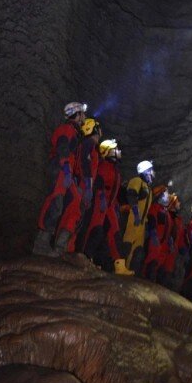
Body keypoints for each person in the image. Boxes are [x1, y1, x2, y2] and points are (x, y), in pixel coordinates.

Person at [33, 101, 87, 256]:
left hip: (66, 170)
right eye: (82, 113)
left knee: (73, 203)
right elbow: (62, 149)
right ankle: (41, 243)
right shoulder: (66, 129)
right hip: (60, 168)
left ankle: (60, 246)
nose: (84, 116)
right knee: (55, 202)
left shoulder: (74, 132)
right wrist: (65, 169)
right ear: (76, 114)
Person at [79, 138, 125, 270]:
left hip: (108, 205)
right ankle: (83, 256)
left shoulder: (114, 169)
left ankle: (118, 264)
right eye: (115, 149)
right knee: (94, 229)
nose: (118, 151)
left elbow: (112, 189)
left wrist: (114, 203)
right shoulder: (104, 166)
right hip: (99, 203)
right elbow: (100, 184)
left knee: (113, 233)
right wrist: (102, 197)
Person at [60, 116, 101, 253]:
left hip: (84, 185)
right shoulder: (88, 144)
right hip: (82, 185)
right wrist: (88, 187)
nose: (100, 132)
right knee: (75, 214)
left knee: (78, 218)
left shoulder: (92, 147)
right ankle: (62, 246)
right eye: (98, 129)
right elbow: (84, 164)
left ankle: (68, 248)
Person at [123, 160, 154, 275]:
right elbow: (131, 195)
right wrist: (136, 214)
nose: (152, 173)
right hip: (133, 218)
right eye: (150, 171)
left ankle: (132, 271)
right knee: (127, 243)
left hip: (141, 223)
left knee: (138, 249)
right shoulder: (137, 181)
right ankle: (120, 267)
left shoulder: (148, 188)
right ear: (145, 171)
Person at [143, 183, 173, 284]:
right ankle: (145, 281)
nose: (167, 197)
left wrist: (169, 239)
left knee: (156, 264)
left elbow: (168, 229)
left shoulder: (167, 213)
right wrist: (153, 233)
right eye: (165, 194)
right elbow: (151, 219)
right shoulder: (155, 207)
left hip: (161, 244)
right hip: (154, 241)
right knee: (151, 262)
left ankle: (151, 282)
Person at [165, 191, 189, 286]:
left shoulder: (179, 221)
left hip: (171, 254)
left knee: (166, 276)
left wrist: (184, 248)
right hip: (161, 251)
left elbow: (180, 237)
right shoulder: (165, 215)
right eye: (177, 202)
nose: (179, 204)